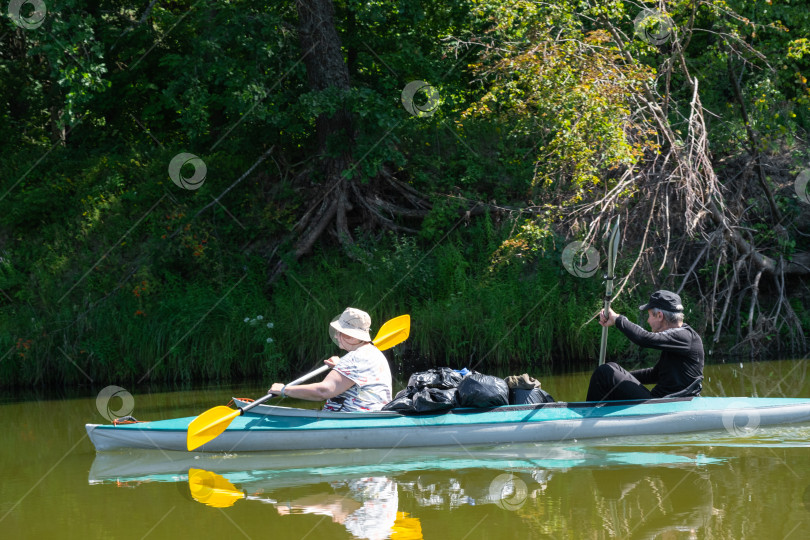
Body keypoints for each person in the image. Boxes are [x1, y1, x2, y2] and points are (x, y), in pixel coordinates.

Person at [586, 290, 704, 402]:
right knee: (612, 369)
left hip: (664, 404)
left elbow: (644, 338)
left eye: (649, 316)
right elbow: (654, 374)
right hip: (661, 401)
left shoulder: (686, 337)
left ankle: (587, 416)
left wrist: (618, 319)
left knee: (604, 371)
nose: (648, 320)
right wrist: (619, 378)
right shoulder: (680, 338)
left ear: (659, 315)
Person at [268, 307, 393, 411]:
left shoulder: (353, 359)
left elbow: (323, 391)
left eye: (341, 332)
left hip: (347, 421)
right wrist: (340, 367)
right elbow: (359, 374)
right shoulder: (376, 354)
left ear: (353, 337)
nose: (337, 336)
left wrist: (284, 390)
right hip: (374, 417)